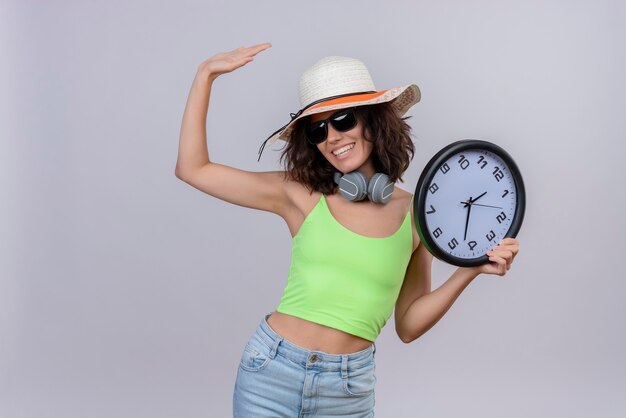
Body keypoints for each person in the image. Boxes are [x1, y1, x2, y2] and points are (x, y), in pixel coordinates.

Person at [175, 43, 520, 418]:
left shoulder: (415, 214)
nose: (332, 137)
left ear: (373, 120)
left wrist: (468, 270)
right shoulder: (300, 194)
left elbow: (408, 325)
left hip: (347, 388)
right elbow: (193, 169)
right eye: (318, 131)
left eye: (343, 120)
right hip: (270, 373)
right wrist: (204, 76)